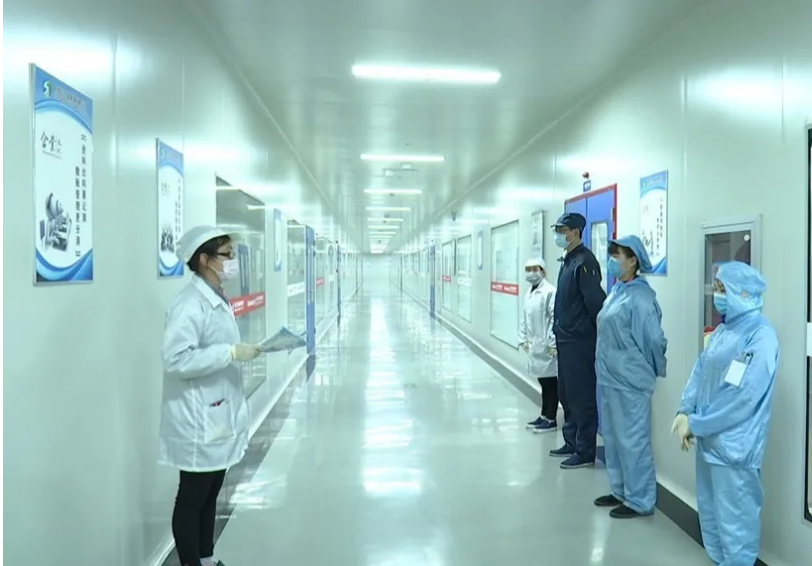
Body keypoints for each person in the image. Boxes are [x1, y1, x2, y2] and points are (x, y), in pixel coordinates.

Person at [159, 226, 262, 566]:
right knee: (192, 497)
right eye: (227, 255)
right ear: (204, 259)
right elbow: (176, 359)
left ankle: (205, 559)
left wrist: (233, 352)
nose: (232, 261)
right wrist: (229, 353)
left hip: (216, 410)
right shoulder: (189, 303)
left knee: (211, 490)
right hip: (196, 417)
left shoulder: (215, 295)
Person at [671, 261, 779, 566]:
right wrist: (685, 410)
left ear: (743, 293)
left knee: (737, 527)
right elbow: (700, 371)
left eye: (723, 289)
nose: (716, 295)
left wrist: (697, 423)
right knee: (712, 521)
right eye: (716, 288)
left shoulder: (761, 336)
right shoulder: (722, 331)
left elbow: (741, 398)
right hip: (709, 443)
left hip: (735, 449)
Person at [593, 236, 667, 518]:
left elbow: (654, 341)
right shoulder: (618, 291)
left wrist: (649, 370)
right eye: (611, 255)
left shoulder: (641, 298)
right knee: (613, 438)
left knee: (633, 440)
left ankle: (640, 500)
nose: (612, 260)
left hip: (631, 381)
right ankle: (620, 490)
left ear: (633, 260)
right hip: (610, 377)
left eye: (617, 256)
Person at [550, 213, 607, 469]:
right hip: (565, 339)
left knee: (581, 395)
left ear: (575, 232)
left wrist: (590, 333)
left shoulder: (585, 262)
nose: (559, 235)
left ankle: (585, 451)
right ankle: (571, 441)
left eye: (562, 230)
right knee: (566, 393)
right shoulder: (568, 261)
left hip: (579, 341)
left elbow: (595, 303)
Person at [519, 258, 559, 433]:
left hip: (547, 346)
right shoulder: (529, 293)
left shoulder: (550, 291)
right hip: (535, 344)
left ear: (543, 271)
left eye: (534, 269)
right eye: (528, 269)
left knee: (550, 383)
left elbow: (554, 318)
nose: (531, 273)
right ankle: (543, 415)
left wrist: (552, 343)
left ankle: (551, 419)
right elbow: (524, 317)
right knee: (543, 382)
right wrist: (522, 338)